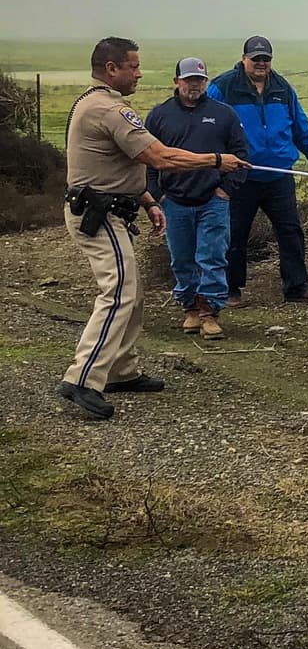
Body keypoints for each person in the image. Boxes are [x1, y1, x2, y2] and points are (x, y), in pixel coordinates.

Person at [60, 38, 248, 420]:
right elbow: (158, 157)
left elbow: (116, 165)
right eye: (133, 66)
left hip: (114, 209)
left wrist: (146, 200)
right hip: (99, 214)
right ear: (112, 69)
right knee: (118, 294)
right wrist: (215, 160)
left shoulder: (96, 103)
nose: (139, 72)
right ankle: (82, 377)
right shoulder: (108, 109)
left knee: (133, 293)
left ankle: (120, 371)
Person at [206, 36, 308, 306]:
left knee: (291, 231)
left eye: (266, 58)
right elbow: (208, 122)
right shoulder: (223, 87)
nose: (261, 63)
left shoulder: (282, 88)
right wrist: (213, 161)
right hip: (241, 176)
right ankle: (230, 290)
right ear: (243, 58)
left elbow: (299, 122)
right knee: (235, 233)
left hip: (279, 175)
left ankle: (296, 287)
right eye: (256, 58)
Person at [144, 57, 250, 341]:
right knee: (182, 258)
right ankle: (190, 307)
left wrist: (225, 190)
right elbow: (146, 159)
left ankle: (210, 313)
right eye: (189, 79)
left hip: (212, 200)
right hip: (174, 200)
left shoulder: (224, 114)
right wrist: (157, 195)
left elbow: (241, 155)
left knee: (212, 256)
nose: (194, 85)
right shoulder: (159, 115)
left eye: (199, 80)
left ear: (206, 81)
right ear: (176, 82)